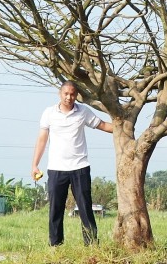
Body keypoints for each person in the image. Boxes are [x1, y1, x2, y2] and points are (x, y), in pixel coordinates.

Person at [32, 80, 113, 246]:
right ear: (60, 94)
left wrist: (124, 126)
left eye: (72, 94)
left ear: (77, 95)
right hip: (56, 169)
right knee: (55, 209)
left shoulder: (83, 112)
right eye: (66, 94)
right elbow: (42, 140)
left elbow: (103, 125)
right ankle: (55, 245)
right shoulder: (49, 113)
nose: (69, 97)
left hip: (80, 168)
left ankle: (91, 245)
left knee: (85, 208)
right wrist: (35, 165)